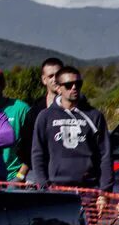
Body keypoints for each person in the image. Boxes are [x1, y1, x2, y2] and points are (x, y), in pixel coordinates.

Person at [29, 65, 111, 194]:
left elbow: (105, 154)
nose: (74, 88)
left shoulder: (94, 116)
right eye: (68, 85)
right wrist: (44, 186)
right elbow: (37, 154)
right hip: (56, 189)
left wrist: (104, 191)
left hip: (89, 188)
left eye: (78, 84)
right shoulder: (45, 116)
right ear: (59, 88)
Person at [0, 67, 33, 182]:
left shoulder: (21, 109)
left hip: (15, 177)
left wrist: (20, 177)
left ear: (2, 85)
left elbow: (32, 147)